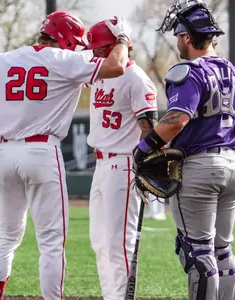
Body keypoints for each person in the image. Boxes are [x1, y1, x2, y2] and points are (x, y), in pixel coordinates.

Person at [0, 11, 132, 300]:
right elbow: (117, 66)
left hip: (5, 153)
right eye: (74, 43)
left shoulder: (6, 59)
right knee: (51, 243)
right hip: (41, 151)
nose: (77, 49)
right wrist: (122, 37)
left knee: (6, 236)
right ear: (63, 39)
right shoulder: (64, 59)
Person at [133, 1, 235, 299]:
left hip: (200, 165)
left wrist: (143, 149)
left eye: (178, 35)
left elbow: (177, 120)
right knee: (223, 250)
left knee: (197, 252)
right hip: (233, 166)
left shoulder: (188, 72)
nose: (177, 41)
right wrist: (230, 166)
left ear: (187, 37)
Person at [83, 18, 159, 299]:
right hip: (101, 165)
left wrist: (147, 165)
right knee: (99, 242)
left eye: (100, 48)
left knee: (119, 244)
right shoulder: (100, 73)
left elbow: (148, 126)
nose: (95, 54)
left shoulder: (136, 77)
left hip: (125, 163)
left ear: (118, 45)